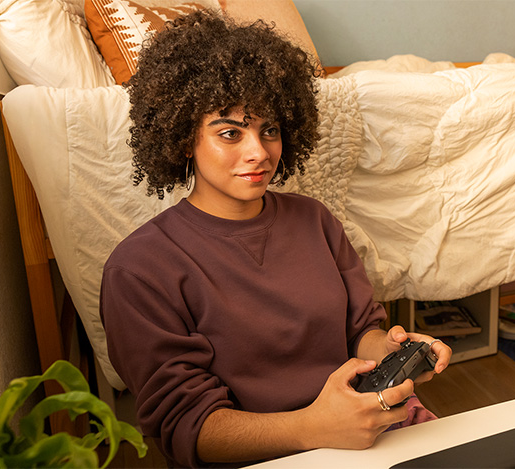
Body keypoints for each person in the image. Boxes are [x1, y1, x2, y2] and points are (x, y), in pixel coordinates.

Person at [99, 9, 451, 468]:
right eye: (230, 133)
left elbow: (358, 331)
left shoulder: (314, 220)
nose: (258, 152)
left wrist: (390, 349)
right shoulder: (140, 269)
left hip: (371, 424)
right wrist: (314, 428)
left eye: (270, 130)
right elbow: (187, 428)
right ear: (184, 139)